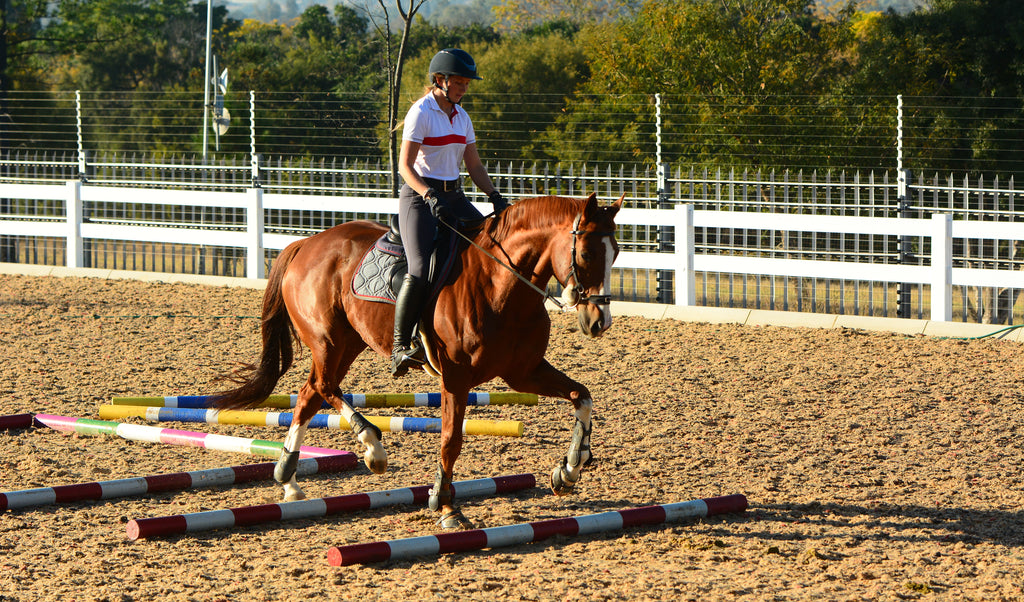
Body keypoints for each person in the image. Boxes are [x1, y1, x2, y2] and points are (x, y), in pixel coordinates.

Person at [391, 48, 509, 378]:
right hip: (419, 197)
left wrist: (494, 196)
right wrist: (428, 194)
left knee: (490, 243)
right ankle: (400, 347)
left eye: (467, 83)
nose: (465, 88)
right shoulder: (421, 112)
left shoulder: (463, 116)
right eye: (460, 82)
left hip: (453, 195)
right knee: (418, 267)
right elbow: (404, 167)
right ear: (440, 80)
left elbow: (473, 165)